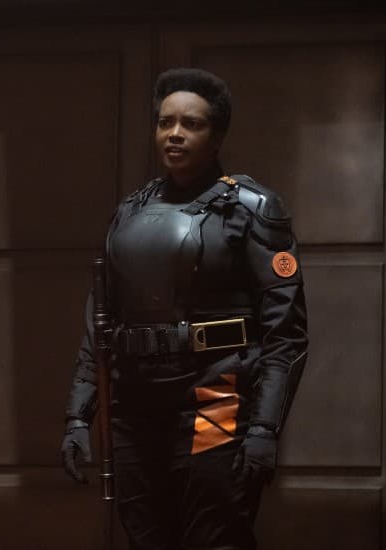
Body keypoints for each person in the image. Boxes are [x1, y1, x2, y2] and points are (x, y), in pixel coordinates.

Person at [60, 68, 309, 550]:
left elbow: (287, 333)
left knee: (215, 536)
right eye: (165, 122)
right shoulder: (130, 212)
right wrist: (77, 416)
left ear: (217, 135)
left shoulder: (252, 209)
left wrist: (265, 427)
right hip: (135, 408)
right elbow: (100, 326)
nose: (174, 134)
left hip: (216, 399)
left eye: (191, 124)